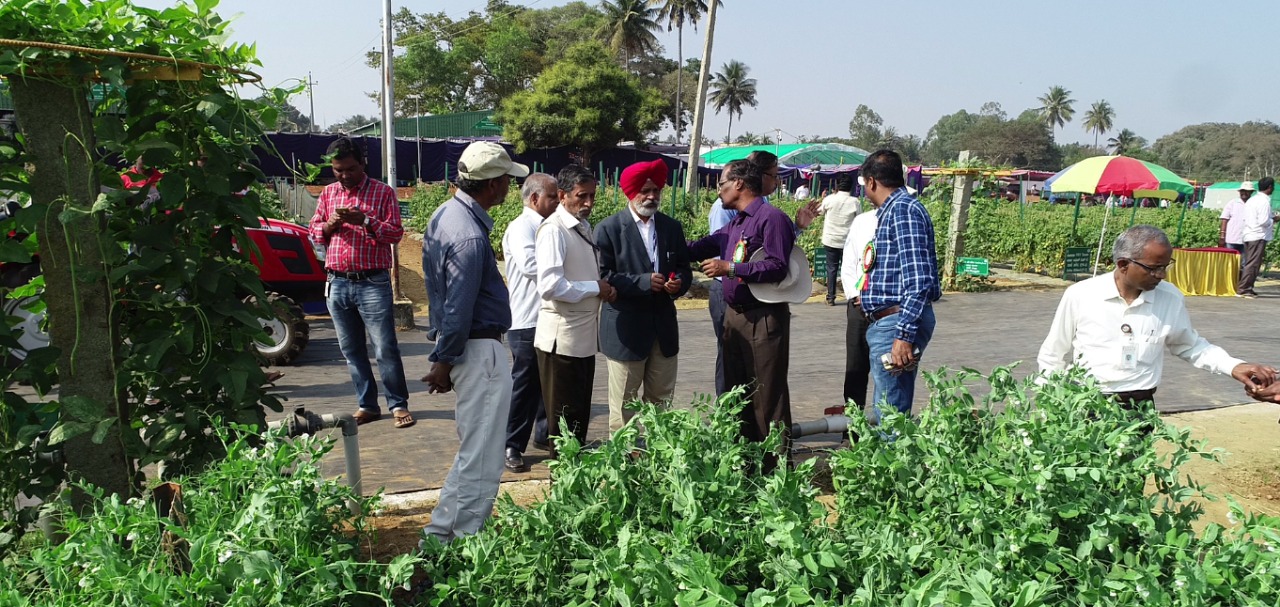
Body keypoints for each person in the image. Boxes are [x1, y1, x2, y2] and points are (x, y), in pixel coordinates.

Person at [1038, 225, 1275, 412]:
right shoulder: (1081, 295)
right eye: (1153, 268)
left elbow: (1189, 345)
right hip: (1085, 402)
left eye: (1165, 266)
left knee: (1132, 472)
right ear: (1123, 265)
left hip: (1139, 405)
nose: (1161, 275)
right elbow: (1053, 354)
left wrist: (1233, 366)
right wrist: (1054, 402)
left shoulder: (1170, 298)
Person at [419, 141, 527, 542]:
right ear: (493, 184)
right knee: (482, 458)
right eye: (506, 181)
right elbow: (459, 306)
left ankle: (443, 535)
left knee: (474, 451)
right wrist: (443, 360)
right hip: (479, 350)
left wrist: (446, 358)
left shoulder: (445, 216)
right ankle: (460, 541)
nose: (508, 188)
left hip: (470, 350)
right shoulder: (470, 236)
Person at [688, 159, 797, 472]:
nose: (719, 189)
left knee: (767, 396)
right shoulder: (735, 224)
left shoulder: (771, 218)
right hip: (734, 317)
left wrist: (733, 268)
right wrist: (662, 242)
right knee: (739, 394)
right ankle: (747, 466)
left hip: (763, 317)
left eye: (722, 183)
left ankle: (777, 471)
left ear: (738, 184)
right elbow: (702, 246)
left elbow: (778, 265)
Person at [307, 137, 412, 428]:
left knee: (384, 347)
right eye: (338, 170)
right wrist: (331, 225)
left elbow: (394, 234)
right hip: (337, 283)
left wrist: (364, 220)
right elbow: (313, 231)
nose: (344, 175)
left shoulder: (382, 193)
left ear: (362, 164)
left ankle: (398, 404)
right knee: (351, 350)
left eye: (350, 169)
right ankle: (367, 404)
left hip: (372, 283)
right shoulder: (328, 193)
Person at [704, 151, 818, 394]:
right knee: (733, 369)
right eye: (774, 176)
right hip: (734, 296)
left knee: (762, 381)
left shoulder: (768, 214)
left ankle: (761, 429)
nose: (776, 182)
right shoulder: (730, 213)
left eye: (721, 184)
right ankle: (732, 420)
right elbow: (718, 247)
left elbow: (774, 259)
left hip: (759, 300)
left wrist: (796, 228)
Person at [595, 159, 692, 432]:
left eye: (657, 190)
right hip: (626, 330)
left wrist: (679, 283)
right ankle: (625, 463)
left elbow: (684, 267)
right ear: (630, 191)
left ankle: (657, 459)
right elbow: (603, 275)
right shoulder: (609, 228)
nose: (652, 196)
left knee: (661, 402)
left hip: (662, 329)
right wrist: (642, 282)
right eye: (645, 190)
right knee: (624, 405)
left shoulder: (671, 227)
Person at [534, 164, 617, 453]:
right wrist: (596, 287)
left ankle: (573, 482)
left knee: (577, 420)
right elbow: (550, 286)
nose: (589, 203)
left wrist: (600, 286)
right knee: (564, 423)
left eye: (592, 196)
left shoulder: (581, 227)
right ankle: (562, 486)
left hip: (581, 339)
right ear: (562, 195)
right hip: (561, 342)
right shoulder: (553, 230)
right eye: (582, 196)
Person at [858, 150, 941, 423]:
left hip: (896, 322)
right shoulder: (895, 210)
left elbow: (918, 279)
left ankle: (894, 465)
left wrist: (904, 336)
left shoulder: (902, 210)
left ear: (871, 182)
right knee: (888, 404)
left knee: (891, 412)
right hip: (890, 319)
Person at [500, 173, 558, 473]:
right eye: (552, 196)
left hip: (551, 316)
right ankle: (511, 444)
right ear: (534, 199)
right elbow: (532, 266)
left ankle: (544, 435)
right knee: (525, 384)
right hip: (527, 319)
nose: (558, 201)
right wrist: (567, 272)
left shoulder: (553, 227)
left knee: (548, 382)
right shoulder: (522, 228)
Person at [841, 207, 878, 414]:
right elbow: (849, 261)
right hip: (858, 304)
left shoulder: (904, 219)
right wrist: (855, 294)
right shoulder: (862, 221)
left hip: (888, 307)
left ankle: (887, 428)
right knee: (855, 368)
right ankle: (852, 428)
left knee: (887, 370)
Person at [817, 174, 860, 305]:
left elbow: (819, 212)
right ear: (851, 186)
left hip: (830, 239)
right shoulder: (855, 202)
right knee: (849, 269)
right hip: (847, 241)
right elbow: (859, 219)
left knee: (832, 268)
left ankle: (830, 298)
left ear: (836, 186)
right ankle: (852, 296)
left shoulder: (829, 199)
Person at [1237, 177, 1275, 298]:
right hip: (1257, 235)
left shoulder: (1252, 200)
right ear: (1269, 187)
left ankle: (1248, 287)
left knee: (1251, 262)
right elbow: (1263, 221)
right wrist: (1274, 219)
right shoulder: (1263, 202)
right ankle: (1244, 289)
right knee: (1253, 263)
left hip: (1249, 234)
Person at [1218, 182, 1252, 253]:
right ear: (1239, 192)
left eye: (1247, 191)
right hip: (1232, 239)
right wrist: (1222, 236)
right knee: (1230, 262)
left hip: (1246, 239)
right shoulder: (1232, 203)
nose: (1244, 193)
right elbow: (1224, 219)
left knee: (1244, 263)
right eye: (1242, 191)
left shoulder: (1253, 204)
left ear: (1251, 192)